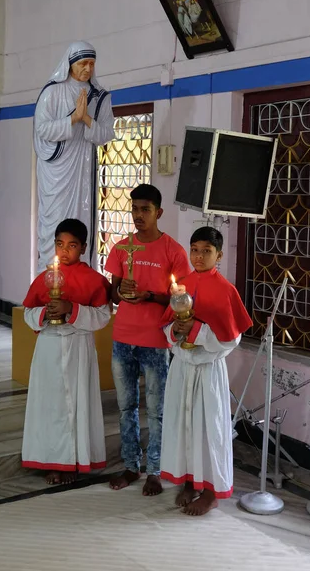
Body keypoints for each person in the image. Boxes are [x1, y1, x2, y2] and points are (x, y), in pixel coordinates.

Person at [105, 184, 191, 496]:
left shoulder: (173, 251)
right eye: (135, 209)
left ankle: (155, 469)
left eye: (146, 209)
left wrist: (149, 295)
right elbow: (113, 293)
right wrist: (123, 292)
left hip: (156, 341)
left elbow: (181, 299)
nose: (138, 215)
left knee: (157, 410)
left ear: (159, 212)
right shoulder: (121, 248)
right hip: (123, 338)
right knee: (126, 406)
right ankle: (131, 466)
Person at [160, 226, 252, 515]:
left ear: (219, 255)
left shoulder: (226, 290)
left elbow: (231, 339)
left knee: (209, 429)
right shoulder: (181, 285)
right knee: (182, 425)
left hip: (208, 371)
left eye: (207, 251)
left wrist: (197, 331)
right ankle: (189, 481)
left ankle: (211, 491)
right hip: (182, 369)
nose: (199, 257)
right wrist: (174, 330)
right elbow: (165, 327)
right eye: (195, 250)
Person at [22, 218, 111, 485]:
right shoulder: (44, 278)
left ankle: (75, 459)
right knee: (50, 404)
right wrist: (44, 314)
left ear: (83, 248)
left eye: (72, 245)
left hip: (78, 346)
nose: (64, 251)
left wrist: (71, 310)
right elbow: (28, 313)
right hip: (49, 345)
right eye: (60, 244)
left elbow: (103, 316)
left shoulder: (94, 280)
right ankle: (51, 459)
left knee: (77, 404)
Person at [34, 41, 115, 273]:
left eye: (91, 64)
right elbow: (42, 129)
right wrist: (72, 119)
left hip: (82, 165)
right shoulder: (52, 92)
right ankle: (49, 278)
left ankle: (79, 278)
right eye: (82, 63)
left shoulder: (100, 97)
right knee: (55, 220)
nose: (87, 69)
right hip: (56, 170)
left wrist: (86, 118)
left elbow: (107, 134)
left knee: (81, 218)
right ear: (69, 64)